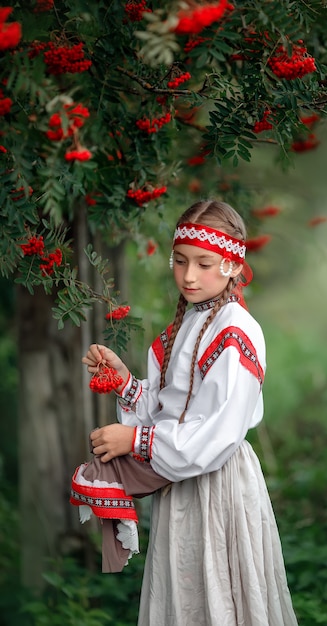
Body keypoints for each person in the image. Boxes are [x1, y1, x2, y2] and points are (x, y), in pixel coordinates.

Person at [81, 200, 298, 626]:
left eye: (203, 263)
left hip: (217, 484)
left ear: (233, 265)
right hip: (179, 481)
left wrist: (136, 440)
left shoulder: (236, 331)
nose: (189, 275)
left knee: (221, 594)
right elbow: (171, 409)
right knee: (184, 597)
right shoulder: (184, 326)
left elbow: (217, 431)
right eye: (180, 262)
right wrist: (126, 382)